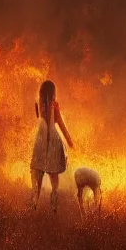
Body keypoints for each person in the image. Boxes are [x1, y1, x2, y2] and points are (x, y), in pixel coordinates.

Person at [29, 80, 74, 212]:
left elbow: (39, 120)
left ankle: (35, 201)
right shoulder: (55, 105)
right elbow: (59, 123)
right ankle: (53, 198)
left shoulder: (37, 105)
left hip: (42, 139)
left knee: (38, 170)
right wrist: (69, 140)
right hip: (53, 140)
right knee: (53, 173)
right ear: (54, 92)